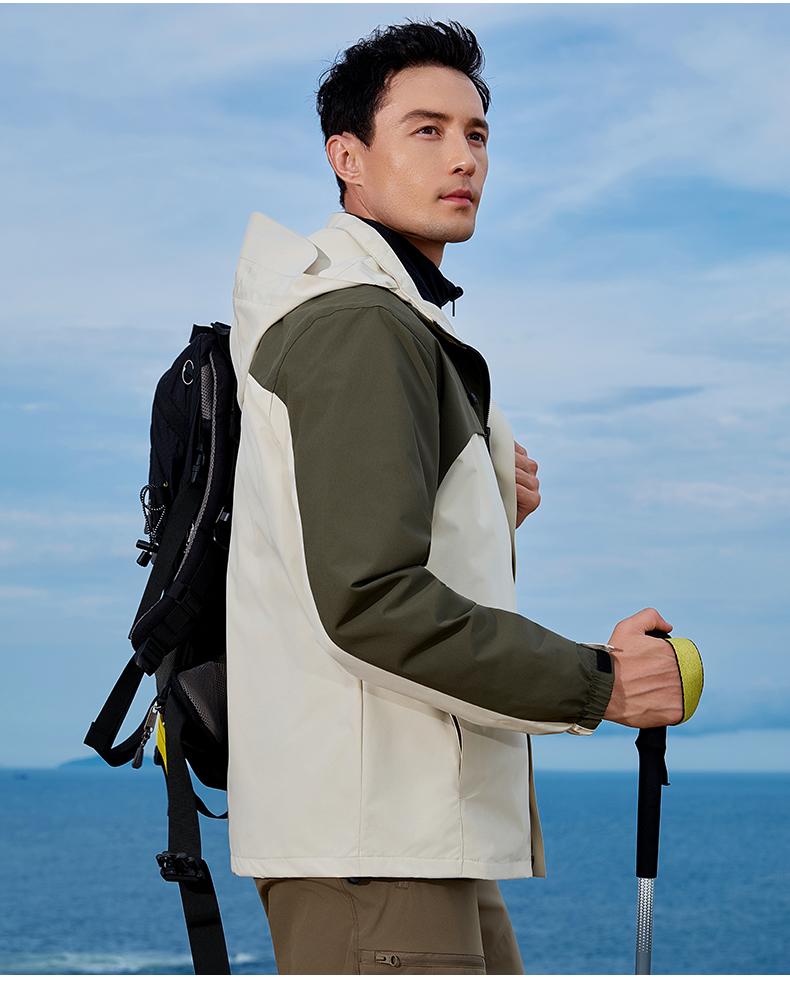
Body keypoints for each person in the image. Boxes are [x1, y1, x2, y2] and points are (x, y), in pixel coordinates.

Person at [225, 17, 684, 975]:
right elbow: (370, 600)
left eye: (476, 134)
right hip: (376, 846)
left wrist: (474, 494)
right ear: (347, 157)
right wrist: (600, 682)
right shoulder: (360, 323)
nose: (463, 157)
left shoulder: (381, 314)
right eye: (426, 130)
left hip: (408, 833)